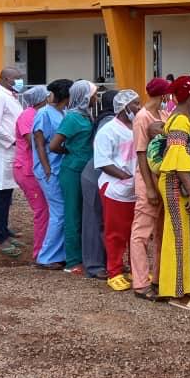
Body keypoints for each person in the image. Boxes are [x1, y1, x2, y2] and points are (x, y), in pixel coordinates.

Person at [146, 76, 190, 310]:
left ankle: (189, 285)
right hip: (179, 185)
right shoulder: (179, 120)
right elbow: (176, 155)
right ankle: (174, 291)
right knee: (178, 237)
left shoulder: (188, 117)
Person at [94, 89, 141, 292]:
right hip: (115, 189)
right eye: (135, 104)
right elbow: (103, 162)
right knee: (116, 233)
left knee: (134, 232)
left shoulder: (137, 127)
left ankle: (135, 268)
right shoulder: (108, 130)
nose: (138, 108)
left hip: (134, 188)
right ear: (124, 107)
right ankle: (114, 271)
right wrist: (125, 177)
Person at [49, 79, 97, 274]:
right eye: (93, 95)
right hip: (72, 170)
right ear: (84, 97)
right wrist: (70, 152)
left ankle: (84, 255)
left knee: (83, 214)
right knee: (73, 215)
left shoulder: (86, 116)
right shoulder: (72, 118)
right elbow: (54, 145)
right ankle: (73, 261)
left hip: (84, 169)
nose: (95, 98)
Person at [131, 78, 171, 300]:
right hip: (149, 181)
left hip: (162, 180)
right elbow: (141, 153)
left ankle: (157, 278)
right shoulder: (142, 117)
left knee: (161, 232)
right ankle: (140, 283)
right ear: (164, 95)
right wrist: (149, 188)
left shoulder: (163, 114)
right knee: (142, 232)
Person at [33, 79, 72, 269]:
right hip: (49, 169)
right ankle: (46, 256)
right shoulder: (44, 113)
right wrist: (46, 168)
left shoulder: (63, 113)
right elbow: (39, 143)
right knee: (59, 212)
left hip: (59, 167)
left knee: (61, 212)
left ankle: (59, 253)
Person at [0, 67, 24, 258]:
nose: (20, 81)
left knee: (7, 193)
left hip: (11, 150)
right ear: (6, 79)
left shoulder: (12, 96)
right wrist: (13, 141)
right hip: (2, 150)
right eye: (17, 78)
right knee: (0, 193)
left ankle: (4, 230)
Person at [80, 89, 117, 281]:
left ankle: (105, 261)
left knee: (104, 220)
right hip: (96, 175)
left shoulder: (110, 120)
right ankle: (94, 265)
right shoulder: (108, 122)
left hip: (101, 175)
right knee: (94, 221)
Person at [14, 85, 50, 260]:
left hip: (32, 168)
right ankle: (39, 251)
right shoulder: (28, 116)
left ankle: (45, 247)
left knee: (46, 209)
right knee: (42, 210)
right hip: (27, 169)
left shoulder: (37, 114)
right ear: (42, 99)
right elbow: (33, 142)